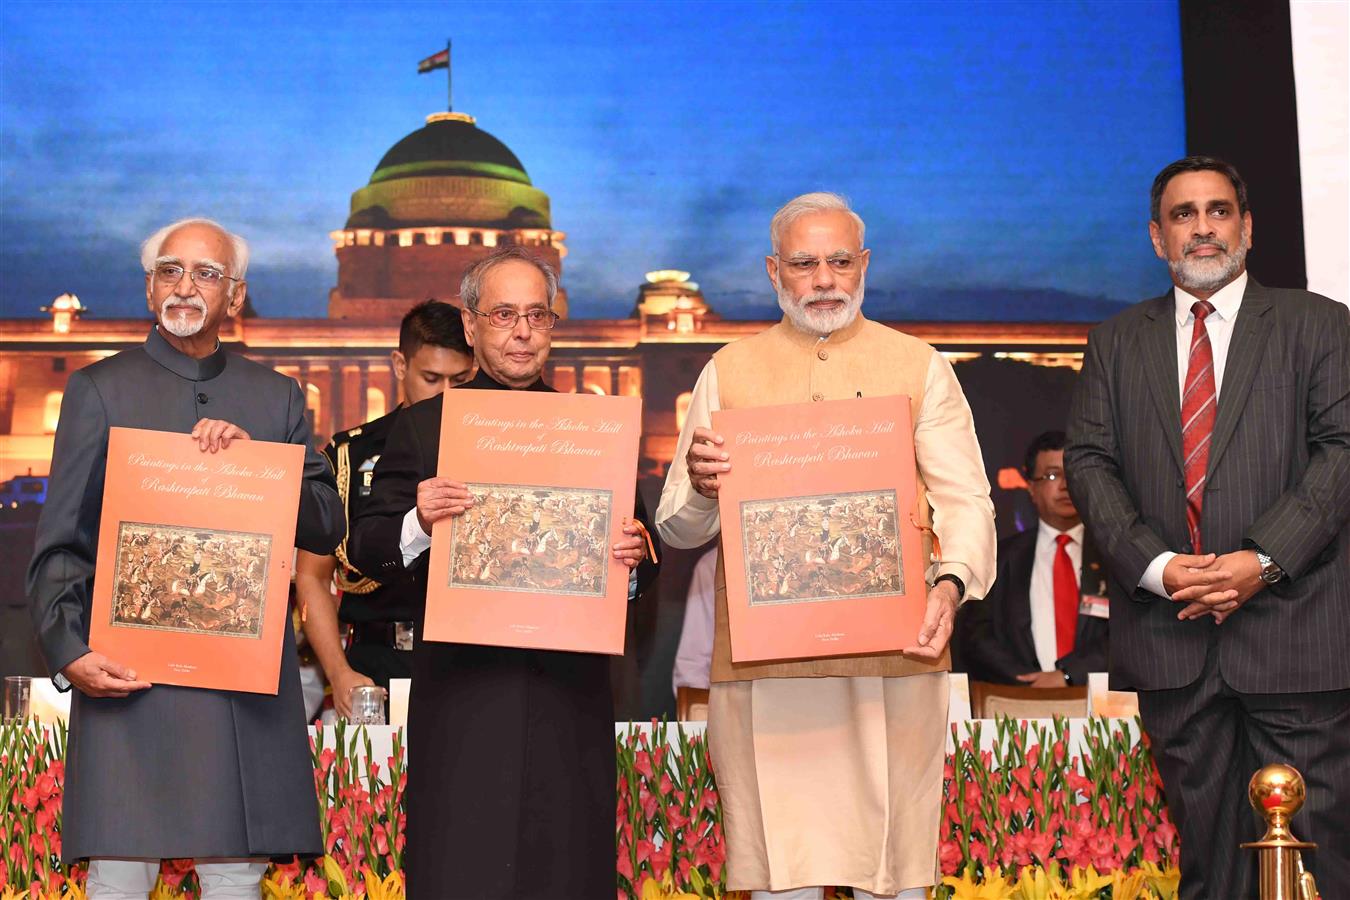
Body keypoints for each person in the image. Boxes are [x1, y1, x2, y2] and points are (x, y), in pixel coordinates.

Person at [656, 192, 995, 900]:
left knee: (898, 870)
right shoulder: (728, 369)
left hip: (896, 651)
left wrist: (952, 581)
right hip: (764, 660)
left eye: (839, 261)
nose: (824, 280)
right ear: (774, 271)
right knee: (784, 870)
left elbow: (966, 498)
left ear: (863, 264)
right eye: (805, 264)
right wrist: (700, 483)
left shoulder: (919, 364)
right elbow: (679, 528)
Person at [26, 218, 344, 900]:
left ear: (236, 296)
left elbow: (325, 522)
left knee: (235, 876)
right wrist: (70, 648)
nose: (185, 286)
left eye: (206, 273)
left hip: (241, 692)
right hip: (126, 682)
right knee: (118, 875)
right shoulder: (100, 389)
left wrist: (258, 460)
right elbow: (62, 542)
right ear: (148, 287)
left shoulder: (275, 398)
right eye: (170, 270)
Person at [1064, 156, 1350, 899]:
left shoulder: (1318, 324)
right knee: (1210, 873)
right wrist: (1157, 568)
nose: (1201, 228)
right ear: (1157, 238)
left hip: (1296, 635)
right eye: (1182, 215)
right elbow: (1090, 465)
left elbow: (1343, 451)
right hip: (1173, 643)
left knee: (1317, 866)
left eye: (1217, 211)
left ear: (1247, 228)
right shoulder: (1114, 342)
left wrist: (1262, 560)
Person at [348, 246, 660, 899]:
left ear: (553, 327)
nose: (522, 332)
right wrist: (419, 522)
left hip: (568, 701)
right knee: (461, 873)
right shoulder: (424, 426)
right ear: (470, 326)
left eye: (537, 316)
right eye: (504, 315)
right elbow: (368, 546)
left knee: (566, 874)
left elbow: (643, 548)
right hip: (464, 699)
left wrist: (631, 561)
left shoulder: (592, 428)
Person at [297, 300, 474, 718]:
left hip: (470, 669)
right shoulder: (350, 454)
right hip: (375, 667)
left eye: (461, 379)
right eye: (431, 378)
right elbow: (312, 577)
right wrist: (339, 673)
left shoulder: (497, 450)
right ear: (400, 365)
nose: (445, 395)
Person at [954, 430, 1108, 686]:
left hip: (1104, 704)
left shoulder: (1114, 556)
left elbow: (1129, 634)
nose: (1065, 485)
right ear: (1032, 488)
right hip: (1017, 704)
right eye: (1052, 475)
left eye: (1073, 473)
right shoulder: (999, 559)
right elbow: (976, 635)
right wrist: (1028, 681)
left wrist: (1070, 675)